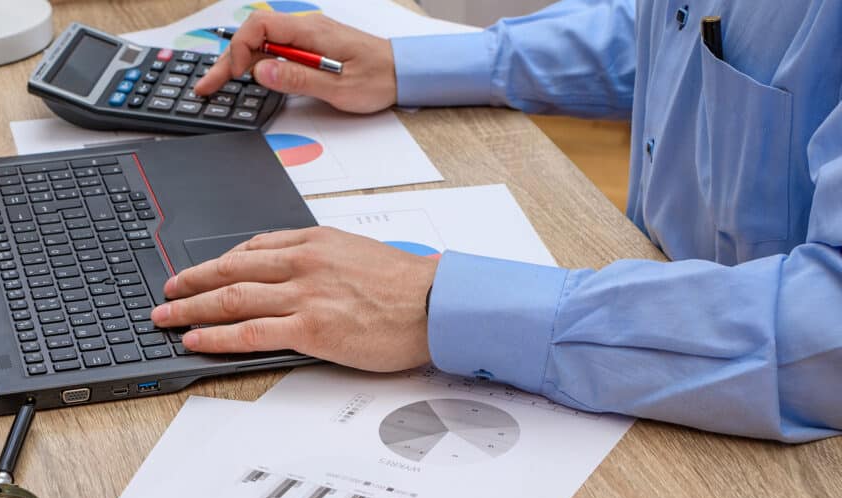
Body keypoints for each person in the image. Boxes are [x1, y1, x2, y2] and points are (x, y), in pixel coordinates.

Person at [151, 0, 842, 443]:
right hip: (654, 319)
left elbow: (827, 329)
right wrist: (403, 65)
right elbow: (667, 33)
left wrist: (437, 304)